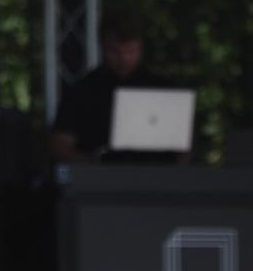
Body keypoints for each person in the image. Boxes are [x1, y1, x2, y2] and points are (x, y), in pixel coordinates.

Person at [48, 9, 175, 165]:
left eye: (130, 51)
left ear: (141, 47)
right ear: (102, 47)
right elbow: (61, 146)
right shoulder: (82, 92)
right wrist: (96, 165)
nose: (123, 59)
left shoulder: (162, 89)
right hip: (97, 182)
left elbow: (183, 146)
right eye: (115, 51)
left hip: (159, 180)